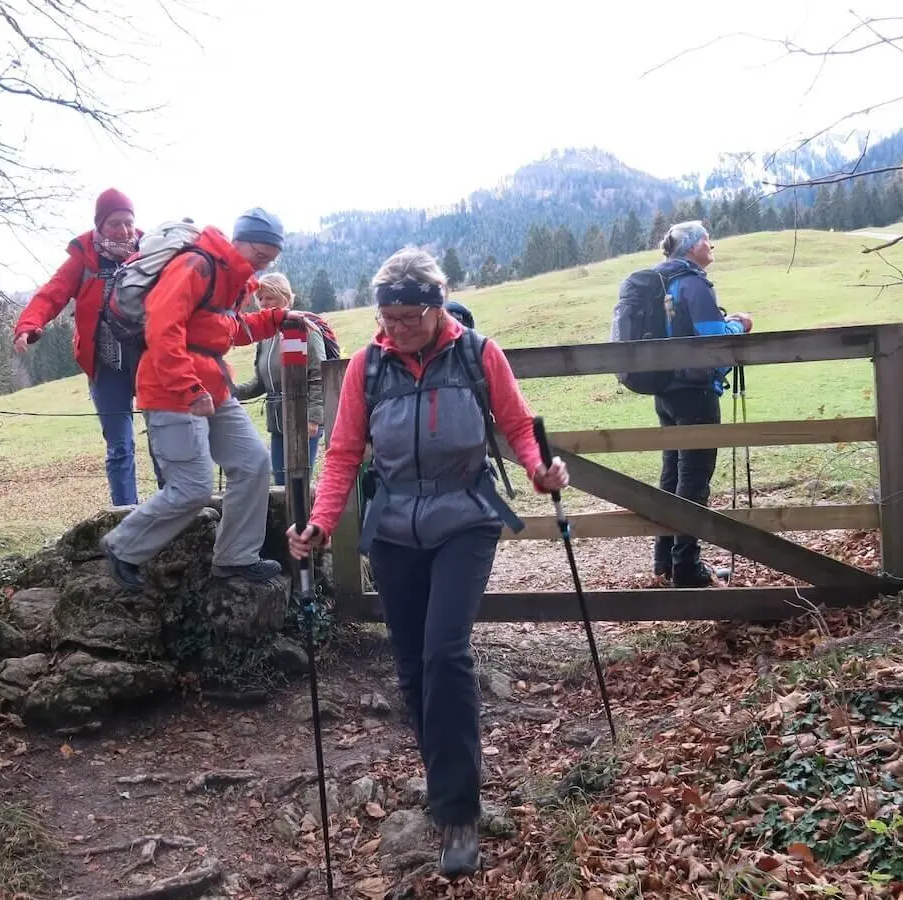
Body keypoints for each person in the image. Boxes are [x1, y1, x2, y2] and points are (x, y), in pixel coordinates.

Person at [285, 247, 568, 879]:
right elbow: (342, 454)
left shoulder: (477, 354)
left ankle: (457, 811)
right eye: (387, 317)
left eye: (410, 316)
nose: (397, 328)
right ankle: (443, 765)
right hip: (393, 530)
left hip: (466, 517)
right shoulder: (367, 367)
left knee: (446, 652)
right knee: (412, 668)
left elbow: (519, 426)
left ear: (437, 308)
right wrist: (321, 524)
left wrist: (540, 469)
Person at [99, 208, 298, 589]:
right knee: (192, 486)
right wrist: (189, 387)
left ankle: (236, 559)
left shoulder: (233, 278)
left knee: (253, 463)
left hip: (214, 386)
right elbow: (162, 328)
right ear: (240, 241)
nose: (264, 264)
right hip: (171, 389)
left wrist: (278, 318)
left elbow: (226, 331)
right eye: (261, 254)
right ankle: (123, 547)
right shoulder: (197, 264)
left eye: (271, 258)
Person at [13, 188, 163, 507]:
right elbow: (51, 294)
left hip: (152, 360)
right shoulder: (84, 258)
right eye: (114, 224)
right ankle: (125, 515)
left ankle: (173, 508)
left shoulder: (153, 253)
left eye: (128, 222)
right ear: (99, 225)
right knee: (120, 446)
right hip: (106, 365)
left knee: (164, 438)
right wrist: (28, 325)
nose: (124, 231)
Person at [649, 220, 754, 588]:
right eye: (708, 240)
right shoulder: (693, 283)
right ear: (692, 247)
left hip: (666, 391)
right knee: (693, 479)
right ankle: (687, 569)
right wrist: (740, 324)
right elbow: (713, 341)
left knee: (672, 475)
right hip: (695, 393)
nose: (712, 246)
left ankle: (665, 560)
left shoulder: (661, 281)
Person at [235, 273, 325, 485]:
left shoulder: (305, 329)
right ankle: (287, 520)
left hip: (302, 420)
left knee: (298, 485)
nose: (264, 304)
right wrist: (230, 391)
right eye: (261, 299)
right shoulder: (265, 337)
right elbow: (261, 382)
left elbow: (318, 374)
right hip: (277, 423)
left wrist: (313, 418)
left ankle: (305, 520)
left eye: (270, 298)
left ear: (285, 298)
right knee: (281, 484)